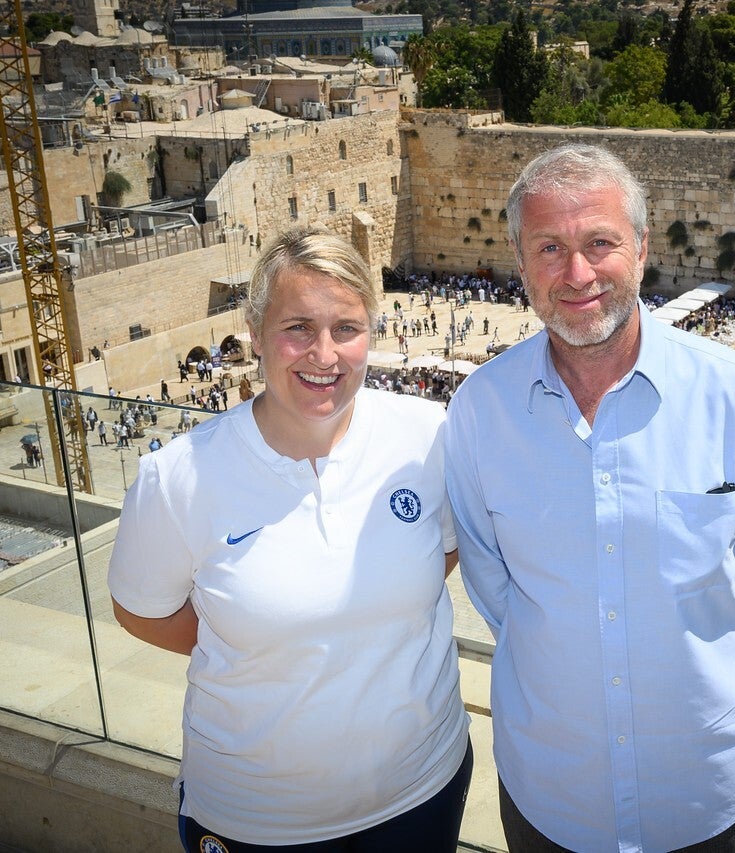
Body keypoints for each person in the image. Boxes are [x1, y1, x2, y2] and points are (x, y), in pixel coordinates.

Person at [445, 144, 735, 852]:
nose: (576, 272)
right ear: (519, 264)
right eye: (549, 247)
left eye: (599, 243)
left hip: (704, 797)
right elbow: (496, 589)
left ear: (642, 250)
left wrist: (709, 690)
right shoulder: (479, 411)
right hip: (553, 799)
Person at [107, 229, 472, 850]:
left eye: (346, 328)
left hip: (420, 790)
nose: (324, 355)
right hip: (257, 817)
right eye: (297, 328)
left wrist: (331, 615)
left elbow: (439, 553)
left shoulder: (427, 436)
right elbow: (142, 614)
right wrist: (258, 633)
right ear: (255, 333)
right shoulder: (178, 478)